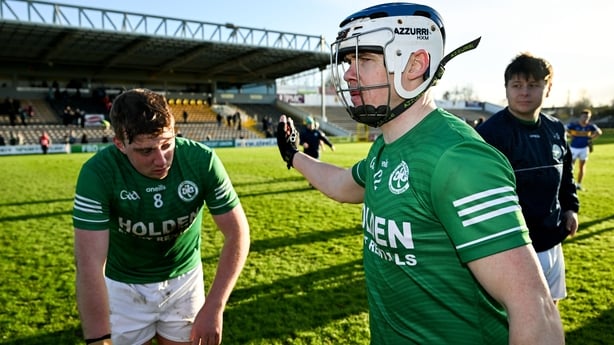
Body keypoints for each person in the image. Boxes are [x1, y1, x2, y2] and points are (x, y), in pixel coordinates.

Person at [275, 3, 563, 344]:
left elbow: (535, 308)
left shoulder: (458, 158)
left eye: (364, 60)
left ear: (415, 64)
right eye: (348, 62)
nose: (350, 73)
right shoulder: (386, 146)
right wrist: (294, 155)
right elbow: (342, 185)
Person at [72, 88, 250, 345]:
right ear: (120, 144)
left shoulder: (202, 160)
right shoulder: (97, 173)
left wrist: (215, 305)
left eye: (167, 144)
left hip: (185, 282)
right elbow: (88, 262)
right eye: (146, 151)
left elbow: (238, 232)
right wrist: (98, 338)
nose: (161, 160)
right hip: (123, 287)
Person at [476, 52, 579, 306]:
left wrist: (570, 207)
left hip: (551, 236)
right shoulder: (489, 133)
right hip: (510, 244)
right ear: (506, 89)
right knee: (519, 315)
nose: (524, 92)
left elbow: (565, 173)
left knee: (551, 307)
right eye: (517, 85)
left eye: (533, 85)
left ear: (548, 88)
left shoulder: (555, 128)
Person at [566, 108, 602, 190]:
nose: (586, 119)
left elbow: (599, 132)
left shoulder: (590, 126)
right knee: (570, 167)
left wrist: (591, 138)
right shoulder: (574, 125)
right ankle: (568, 184)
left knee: (582, 167)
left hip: (584, 149)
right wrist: (569, 135)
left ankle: (578, 184)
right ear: (581, 117)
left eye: (588, 117)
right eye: (584, 117)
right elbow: (564, 129)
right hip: (574, 148)